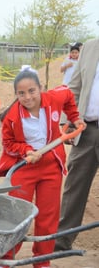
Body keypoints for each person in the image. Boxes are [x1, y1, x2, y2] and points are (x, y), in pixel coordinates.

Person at [0, 67, 85, 268]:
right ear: (16, 94)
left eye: (32, 91)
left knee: (47, 217)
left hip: (50, 166)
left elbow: (69, 94)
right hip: (24, 167)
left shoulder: (53, 98)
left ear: (41, 88)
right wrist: (26, 150)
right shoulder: (11, 117)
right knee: (18, 215)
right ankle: (5, 261)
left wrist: (74, 116)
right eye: (21, 93)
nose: (27, 97)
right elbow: (8, 143)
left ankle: (42, 262)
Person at [55, 37, 99, 251]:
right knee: (75, 187)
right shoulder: (90, 47)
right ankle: (62, 241)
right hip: (87, 129)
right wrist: (68, 121)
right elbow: (74, 87)